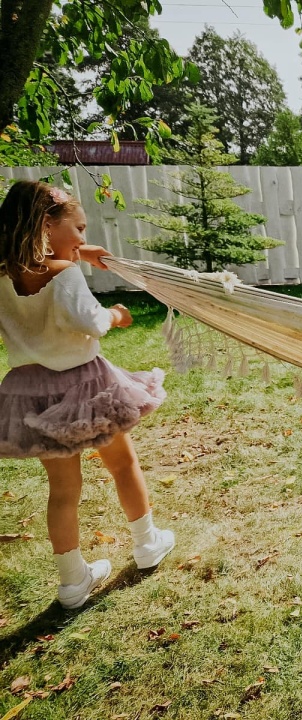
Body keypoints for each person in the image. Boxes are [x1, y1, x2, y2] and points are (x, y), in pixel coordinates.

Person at [0, 180, 174, 609]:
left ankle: (72, 581)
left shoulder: (3, 276)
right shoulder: (65, 276)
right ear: (46, 224)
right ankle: (147, 542)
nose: (81, 239)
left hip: (30, 391)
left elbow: (51, 263)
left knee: (62, 491)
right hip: (85, 387)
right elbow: (91, 321)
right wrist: (115, 314)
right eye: (78, 229)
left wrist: (83, 251)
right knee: (122, 464)